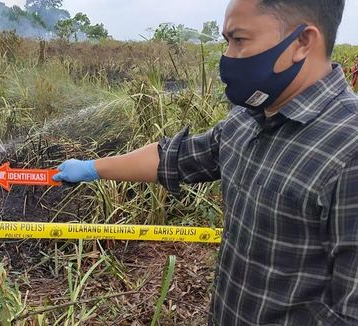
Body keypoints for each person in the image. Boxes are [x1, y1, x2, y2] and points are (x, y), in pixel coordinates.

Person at [53, 0, 358, 324]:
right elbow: (175, 158)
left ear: (303, 42)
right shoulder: (247, 118)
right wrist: (91, 168)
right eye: (226, 41)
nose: (227, 58)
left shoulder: (349, 150)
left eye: (239, 41)